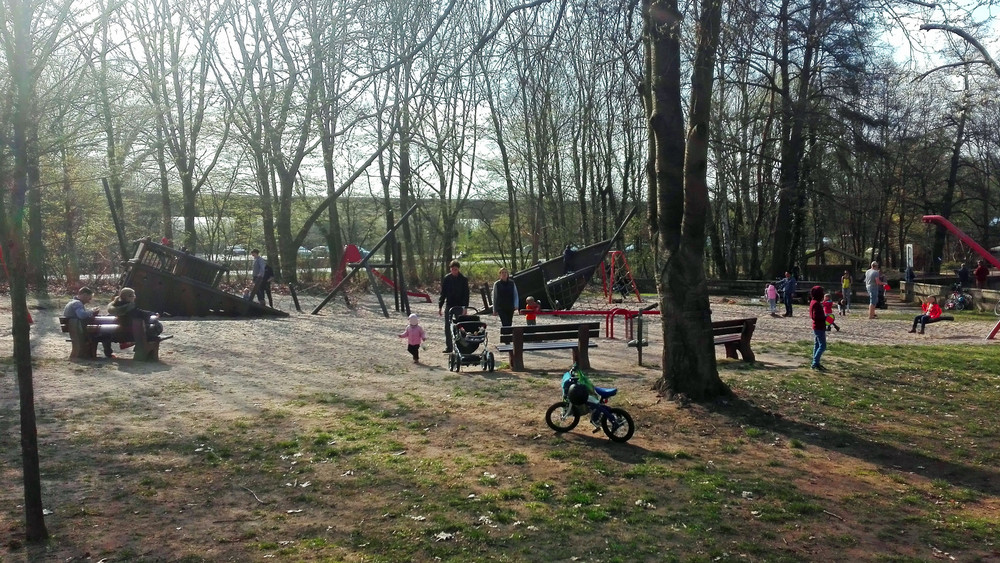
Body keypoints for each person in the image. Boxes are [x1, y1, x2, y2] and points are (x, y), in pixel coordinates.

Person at [63, 287, 114, 359]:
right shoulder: (77, 303)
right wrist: (92, 311)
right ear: (84, 295)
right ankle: (108, 354)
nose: (89, 301)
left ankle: (104, 353)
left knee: (103, 333)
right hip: (80, 331)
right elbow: (82, 315)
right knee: (106, 334)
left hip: (75, 330)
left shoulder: (72, 302)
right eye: (89, 298)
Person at [438, 260, 470, 353]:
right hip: (449, 305)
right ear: (450, 269)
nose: (454, 271)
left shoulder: (463, 279)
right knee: (448, 326)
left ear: (458, 269)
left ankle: (462, 346)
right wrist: (440, 306)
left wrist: (465, 307)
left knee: (461, 326)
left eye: (455, 269)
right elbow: (443, 293)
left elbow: (466, 294)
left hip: (460, 306)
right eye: (452, 269)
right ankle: (449, 347)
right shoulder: (447, 279)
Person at [809, 285, 827, 371]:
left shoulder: (813, 302)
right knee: (822, 346)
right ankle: (815, 363)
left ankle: (816, 363)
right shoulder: (816, 304)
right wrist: (824, 318)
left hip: (816, 327)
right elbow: (816, 316)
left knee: (816, 344)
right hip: (819, 327)